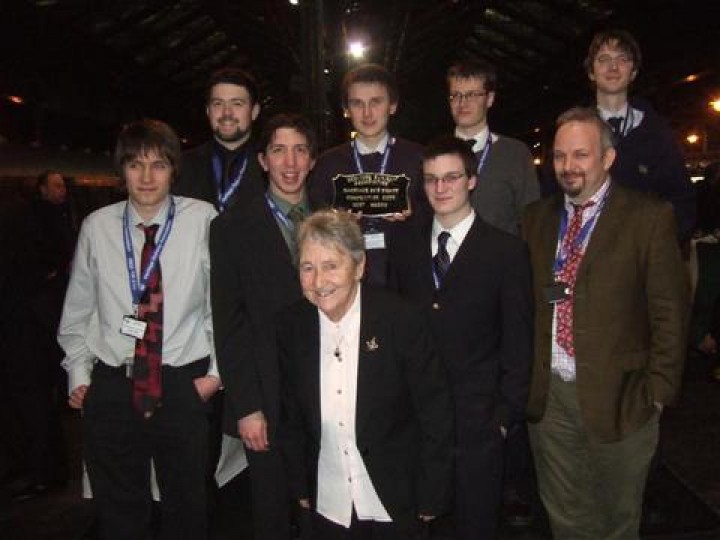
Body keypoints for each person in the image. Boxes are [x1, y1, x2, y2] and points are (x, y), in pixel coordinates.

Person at [522, 107, 688, 539]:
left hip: (624, 397)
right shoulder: (535, 220)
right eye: (559, 156)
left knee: (617, 522)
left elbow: (670, 310)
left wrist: (659, 394)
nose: (568, 167)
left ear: (608, 158)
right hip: (551, 398)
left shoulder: (647, 218)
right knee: (566, 519)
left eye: (581, 155)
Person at [58, 119, 220, 539]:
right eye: (136, 165)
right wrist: (80, 373)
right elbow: (77, 308)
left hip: (180, 382)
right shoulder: (97, 226)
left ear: (173, 170)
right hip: (113, 386)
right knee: (119, 514)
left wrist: (214, 376)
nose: (147, 177)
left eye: (158, 165)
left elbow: (220, 305)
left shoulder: (202, 219)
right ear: (122, 170)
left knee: (188, 511)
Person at [278, 210, 454, 539]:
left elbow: (435, 413)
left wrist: (432, 492)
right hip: (329, 499)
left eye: (331, 266)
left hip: (396, 496)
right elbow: (291, 416)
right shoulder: (292, 327)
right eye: (308, 267)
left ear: (359, 266)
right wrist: (299, 482)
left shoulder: (401, 320)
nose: (319, 282)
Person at [389, 137, 532, 539]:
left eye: (451, 177)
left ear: (472, 180)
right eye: (431, 179)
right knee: (417, 522)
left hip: (480, 420)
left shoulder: (507, 252)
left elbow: (519, 341)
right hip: (418, 418)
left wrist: (505, 417)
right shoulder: (404, 244)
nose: (441, 188)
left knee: (476, 524)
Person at [210, 113, 318, 538]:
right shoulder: (230, 228)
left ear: (312, 160)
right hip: (265, 394)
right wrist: (247, 406)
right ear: (262, 159)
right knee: (271, 508)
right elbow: (229, 323)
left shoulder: (333, 219)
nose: (289, 162)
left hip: (325, 389)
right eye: (278, 150)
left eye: (300, 150)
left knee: (323, 502)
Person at [308, 63, 429, 287]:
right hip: (347, 284)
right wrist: (336, 222)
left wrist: (415, 214)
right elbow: (315, 225)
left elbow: (439, 217)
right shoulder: (327, 164)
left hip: (407, 281)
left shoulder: (419, 159)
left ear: (392, 106)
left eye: (376, 102)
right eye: (357, 103)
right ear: (346, 109)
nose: (367, 113)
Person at [3, 170, 76, 500]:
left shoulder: (28, 218)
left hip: (25, 321)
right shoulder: (34, 217)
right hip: (35, 317)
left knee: (30, 397)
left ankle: (43, 469)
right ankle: (40, 466)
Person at [584, 29, 695, 242]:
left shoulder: (658, 132)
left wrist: (661, 242)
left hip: (644, 257)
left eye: (622, 59)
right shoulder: (575, 130)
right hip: (587, 257)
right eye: (603, 59)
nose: (613, 67)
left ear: (633, 72)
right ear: (591, 72)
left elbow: (682, 198)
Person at [446, 59, 539, 236]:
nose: (463, 103)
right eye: (456, 95)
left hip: (501, 260)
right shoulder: (435, 155)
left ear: (490, 99)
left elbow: (531, 219)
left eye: (472, 95)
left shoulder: (516, 154)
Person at [173, 67, 265, 213]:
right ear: (208, 111)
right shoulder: (182, 167)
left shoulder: (273, 165)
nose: (226, 112)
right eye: (218, 104)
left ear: (254, 112)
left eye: (237, 104)